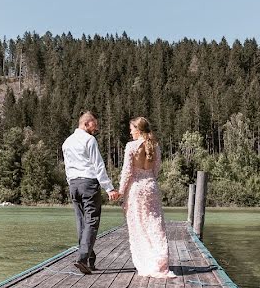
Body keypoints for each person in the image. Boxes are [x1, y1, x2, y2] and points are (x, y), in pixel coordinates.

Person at [62, 111, 120, 275]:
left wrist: (71, 183)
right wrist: (109, 188)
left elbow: (67, 166)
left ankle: (89, 260)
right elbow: (98, 165)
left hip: (74, 184)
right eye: (95, 123)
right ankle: (82, 258)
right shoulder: (89, 140)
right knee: (92, 221)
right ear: (86, 123)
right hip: (88, 183)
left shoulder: (67, 142)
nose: (97, 127)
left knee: (81, 222)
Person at [118, 116, 176, 278]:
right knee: (155, 224)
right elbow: (156, 170)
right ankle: (160, 261)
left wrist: (121, 192)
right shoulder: (155, 146)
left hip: (136, 188)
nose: (130, 133)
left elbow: (127, 172)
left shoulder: (131, 146)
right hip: (151, 186)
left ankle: (146, 262)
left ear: (138, 129)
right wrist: (149, 178)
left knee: (138, 225)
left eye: (131, 129)